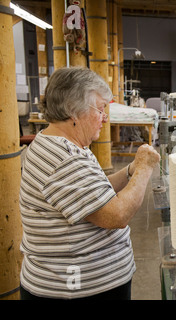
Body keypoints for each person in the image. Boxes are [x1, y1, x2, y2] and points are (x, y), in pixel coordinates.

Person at [19, 67, 160, 300]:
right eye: (100, 109)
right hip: (74, 290)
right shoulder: (63, 159)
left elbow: (95, 190)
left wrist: (129, 171)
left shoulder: (62, 144)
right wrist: (144, 169)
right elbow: (116, 215)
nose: (105, 118)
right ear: (74, 111)